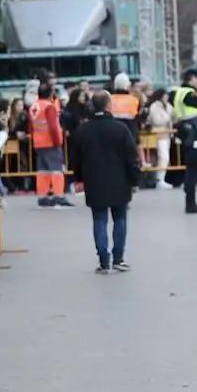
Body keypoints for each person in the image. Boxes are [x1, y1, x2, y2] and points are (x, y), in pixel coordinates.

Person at [69, 91, 140, 274]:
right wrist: (134, 179)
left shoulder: (82, 131)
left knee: (99, 219)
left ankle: (103, 261)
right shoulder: (121, 129)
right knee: (120, 218)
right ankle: (118, 258)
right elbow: (131, 157)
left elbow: (75, 159)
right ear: (109, 105)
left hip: (94, 181)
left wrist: (79, 178)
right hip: (119, 181)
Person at [171, 69, 197, 214]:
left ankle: (191, 201)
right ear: (192, 79)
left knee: (192, 168)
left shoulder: (178, 92)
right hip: (192, 134)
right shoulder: (187, 93)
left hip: (187, 132)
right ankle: (190, 203)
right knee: (193, 169)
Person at [29, 81, 72, 208]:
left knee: (43, 171)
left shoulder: (34, 106)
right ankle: (59, 196)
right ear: (50, 94)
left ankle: (42, 197)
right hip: (50, 142)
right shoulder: (49, 106)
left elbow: (31, 125)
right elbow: (53, 127)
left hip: (38, 142)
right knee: (56, 170)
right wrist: (57, 141)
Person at [109, 73, 141, 141]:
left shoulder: (109, 99)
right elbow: (137, 120)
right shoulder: (134, 100)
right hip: (129, 135)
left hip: (112, 135)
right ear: (128, 85)